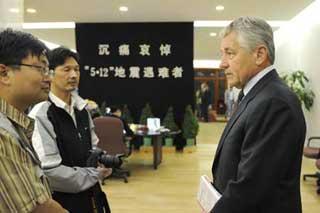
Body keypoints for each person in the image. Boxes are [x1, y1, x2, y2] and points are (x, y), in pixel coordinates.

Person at [210, 17, 306, 213]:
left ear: (259, 54)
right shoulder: (256, 95)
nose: (222, 64)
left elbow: (252, 187)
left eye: (230, 53)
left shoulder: (274, 103)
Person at [29, 47, 112, 213]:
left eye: (77, 70)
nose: (73, 75)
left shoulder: (82, 110)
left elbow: (92, 146)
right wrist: (94, 175)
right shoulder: (42, 114)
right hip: (59, 203)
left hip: (89, 197)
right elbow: (50, 172)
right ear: (50, 73)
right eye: (66, 69)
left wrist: (100, 160)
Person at [0, 29, 66, 212]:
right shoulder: (2, 134)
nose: (49, 78)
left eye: (48, 70)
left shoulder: (15, 125)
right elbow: (38, 208)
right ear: (5, 74)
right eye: (41, 69)